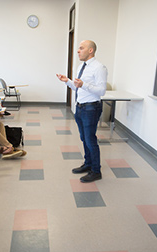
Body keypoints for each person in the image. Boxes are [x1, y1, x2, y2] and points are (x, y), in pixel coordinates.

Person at [56, 40, 107, 183]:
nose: (78, 51)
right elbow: (78, 87)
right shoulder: (81, 66)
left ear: (90, 50)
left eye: (81, 48)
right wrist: (67, 81)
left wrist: (84, 84)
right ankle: (88, 164)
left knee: (90, 139)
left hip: (91, 108)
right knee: (84, 138)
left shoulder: (99, 68)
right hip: (80, 106)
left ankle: (96, 171)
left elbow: (101, 91)